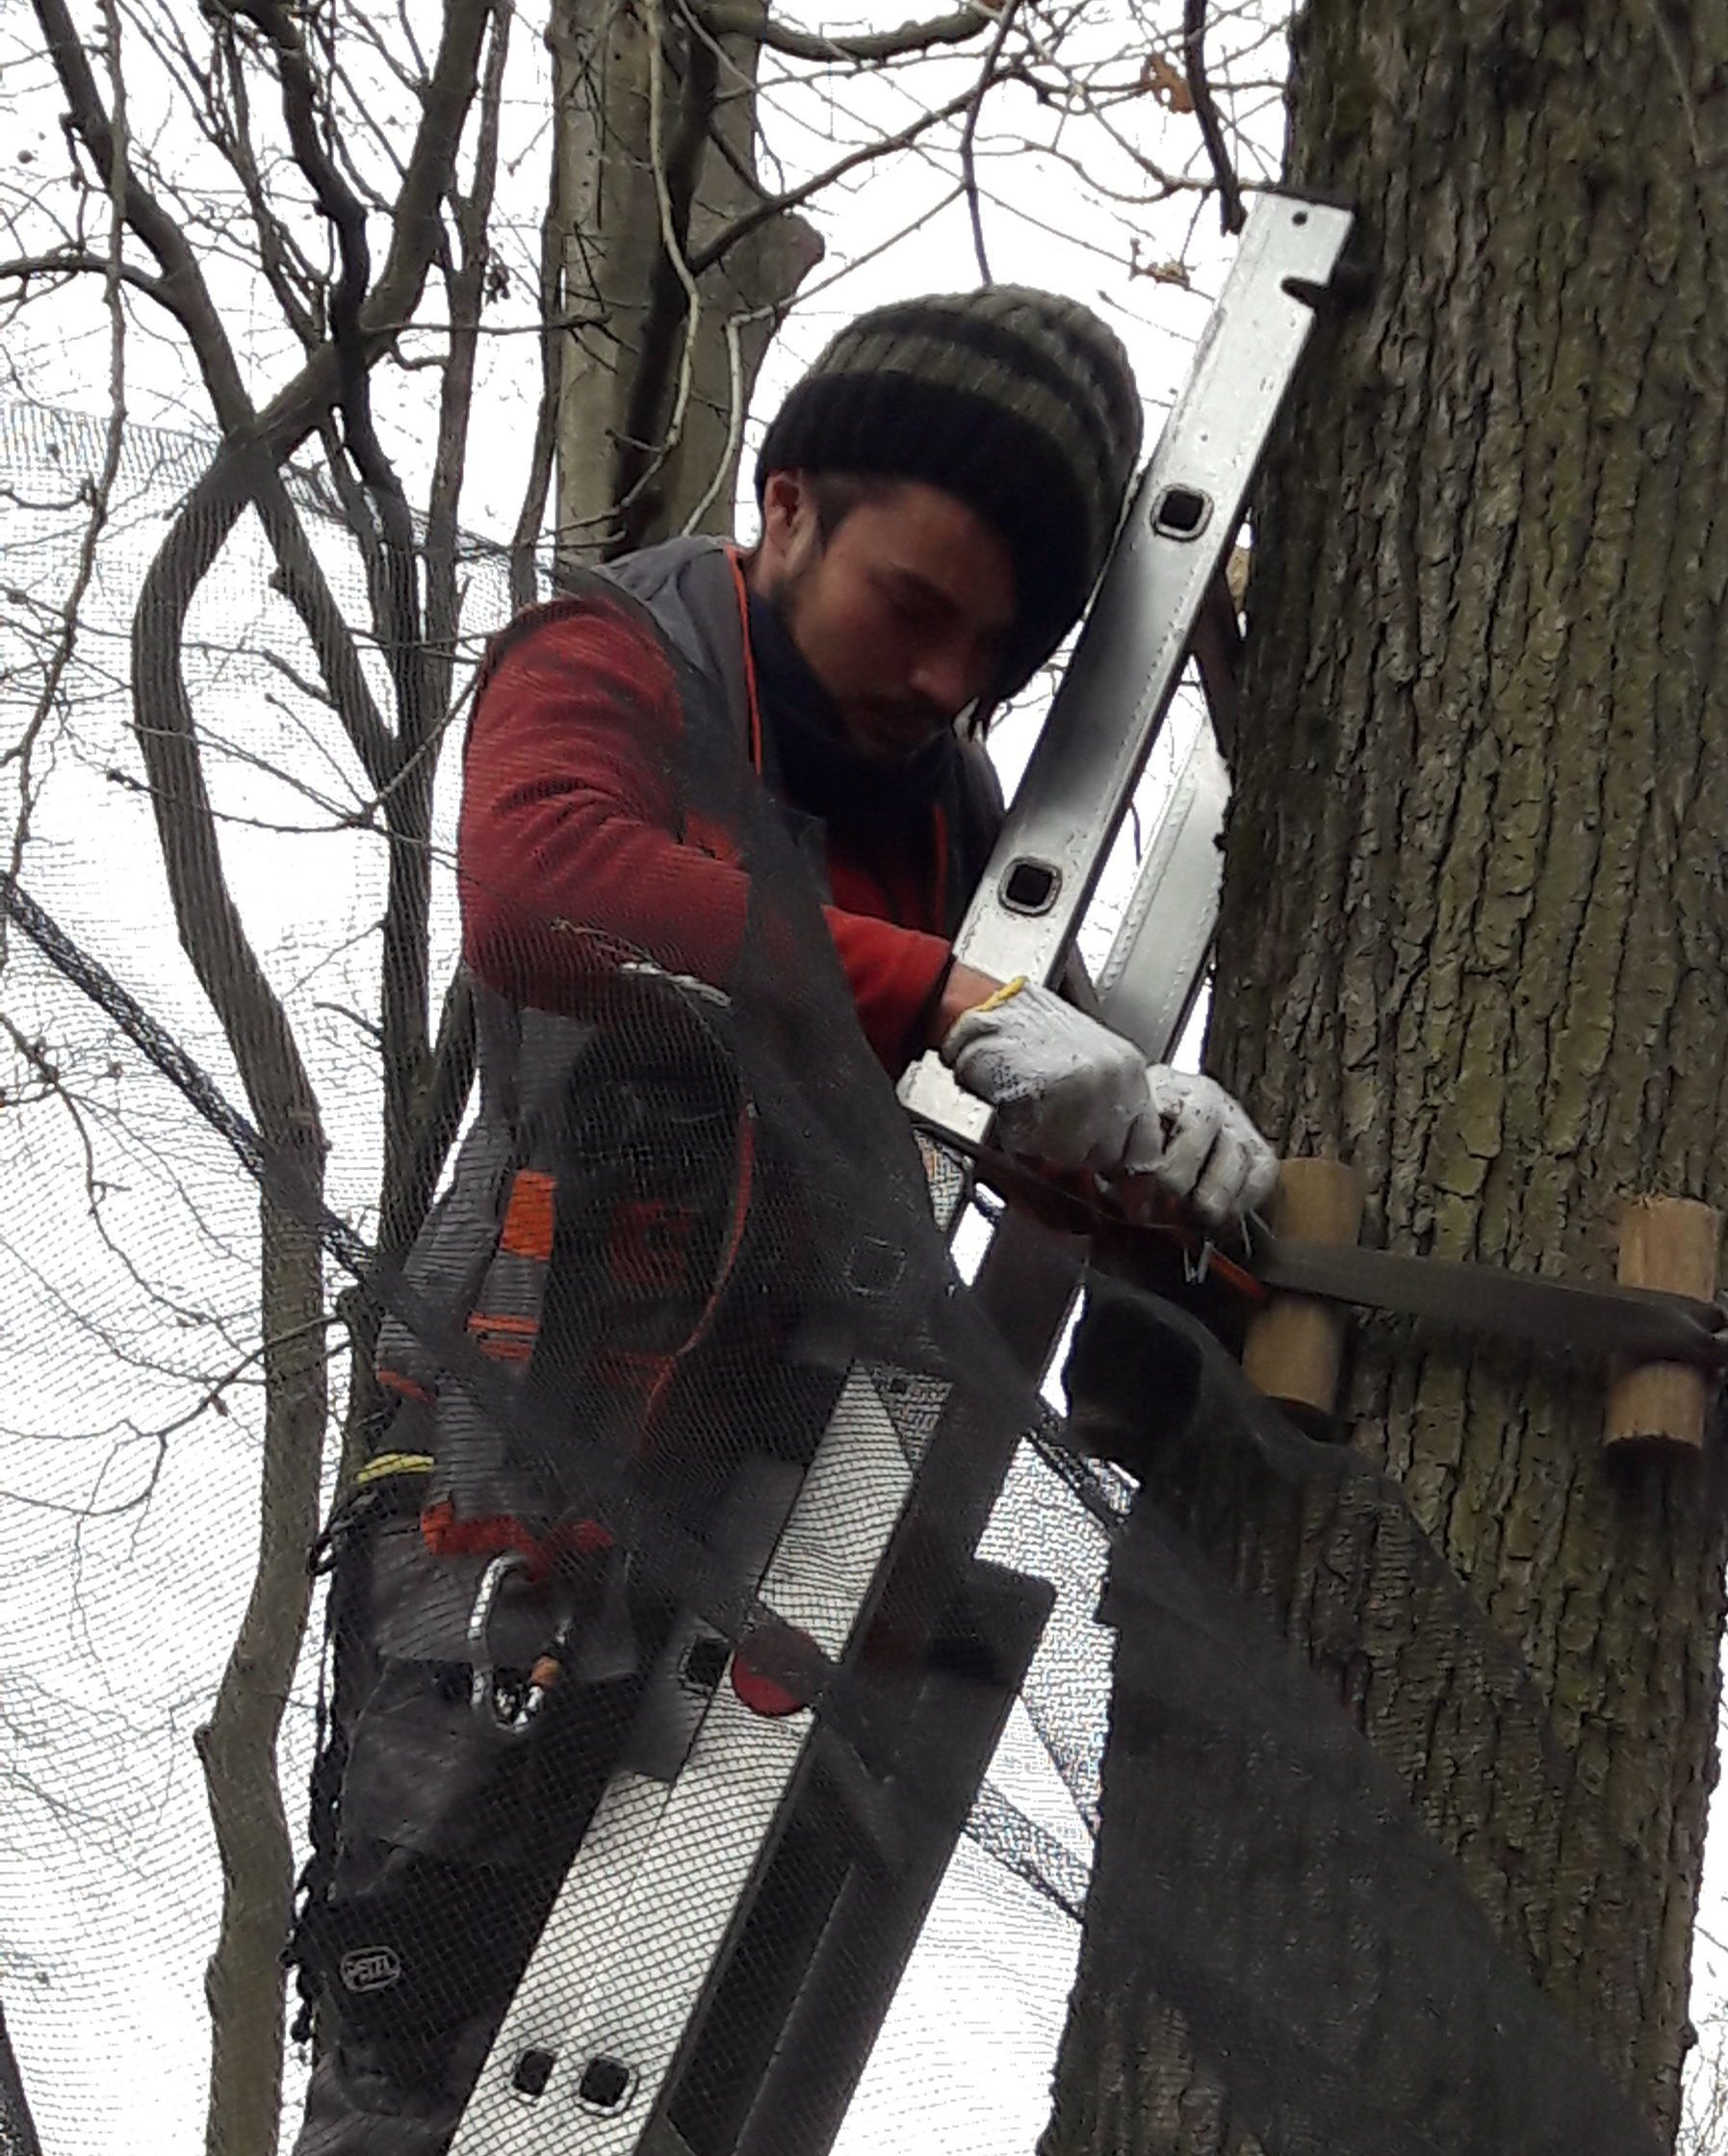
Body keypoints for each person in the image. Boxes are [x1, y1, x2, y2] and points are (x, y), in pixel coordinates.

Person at [288, 288, 1278, 2154]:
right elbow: (544, 889)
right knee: (413, 2076)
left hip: (757, 1507)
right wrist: (958, 1003)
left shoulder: (951, 809)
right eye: (914, 607)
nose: (940, 682)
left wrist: (1147, 1150)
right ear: (790, 501)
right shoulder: (616, 654)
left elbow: (971, 1114)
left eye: (991, 655)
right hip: (508, 1482)